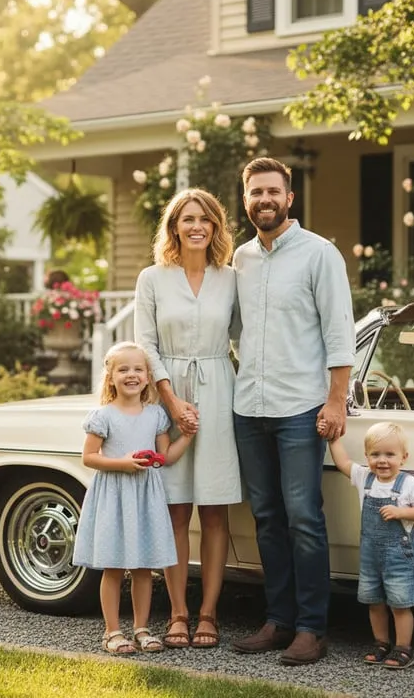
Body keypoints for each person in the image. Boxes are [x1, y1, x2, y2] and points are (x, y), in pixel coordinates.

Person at [231, 157, 355, 665]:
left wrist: (336, 399)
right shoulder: (239, 258)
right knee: (266, 517)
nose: (265, 199)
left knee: (304, 517)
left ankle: (311, 628)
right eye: (256, 192)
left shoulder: (319, 254)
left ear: (289, 198)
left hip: (301, 408)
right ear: (246, 199)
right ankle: (278, 621)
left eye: (273, 191)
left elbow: (339, 331)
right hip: (248, 407)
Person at [134, 188, 242, 649]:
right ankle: (177, 611)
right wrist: (171, 400)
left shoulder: (231, 278)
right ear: (174, 226)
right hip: (168, 394)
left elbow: (246, 338)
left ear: (216, 227)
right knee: (176, 508)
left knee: (214, 509)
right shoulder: (152, 278)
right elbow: (145, 344)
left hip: (220, 390)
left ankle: (208, 613)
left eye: (206, 219)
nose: (197, 226)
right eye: (188, 219)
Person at [72, 341, 194, 656]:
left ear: (148, 376)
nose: (131, 375)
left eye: (138, 369)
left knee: (143, 567)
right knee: (113, 566)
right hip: (114, 496)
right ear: (110, 377)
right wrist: (122, 464)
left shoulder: (155, 415)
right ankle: (112, 631)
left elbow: (165, 457)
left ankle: (141, 628)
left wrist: (190, 436)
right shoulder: (103, 416)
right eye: (123, 369)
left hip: (144, 499)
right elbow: (89, 457)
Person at [326, 421, 414, 669]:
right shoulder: (365, 478)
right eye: (375, 454)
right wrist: (333, 440)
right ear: (367, 456)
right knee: (374, 601)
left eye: (389, 455)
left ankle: (403, 648)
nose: (382, 461)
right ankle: (381, 643)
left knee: (400, 603)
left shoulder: (408, 484)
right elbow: (342, 463)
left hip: (399, 555)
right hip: (370, 555)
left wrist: (400, 512)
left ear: (403, 458)